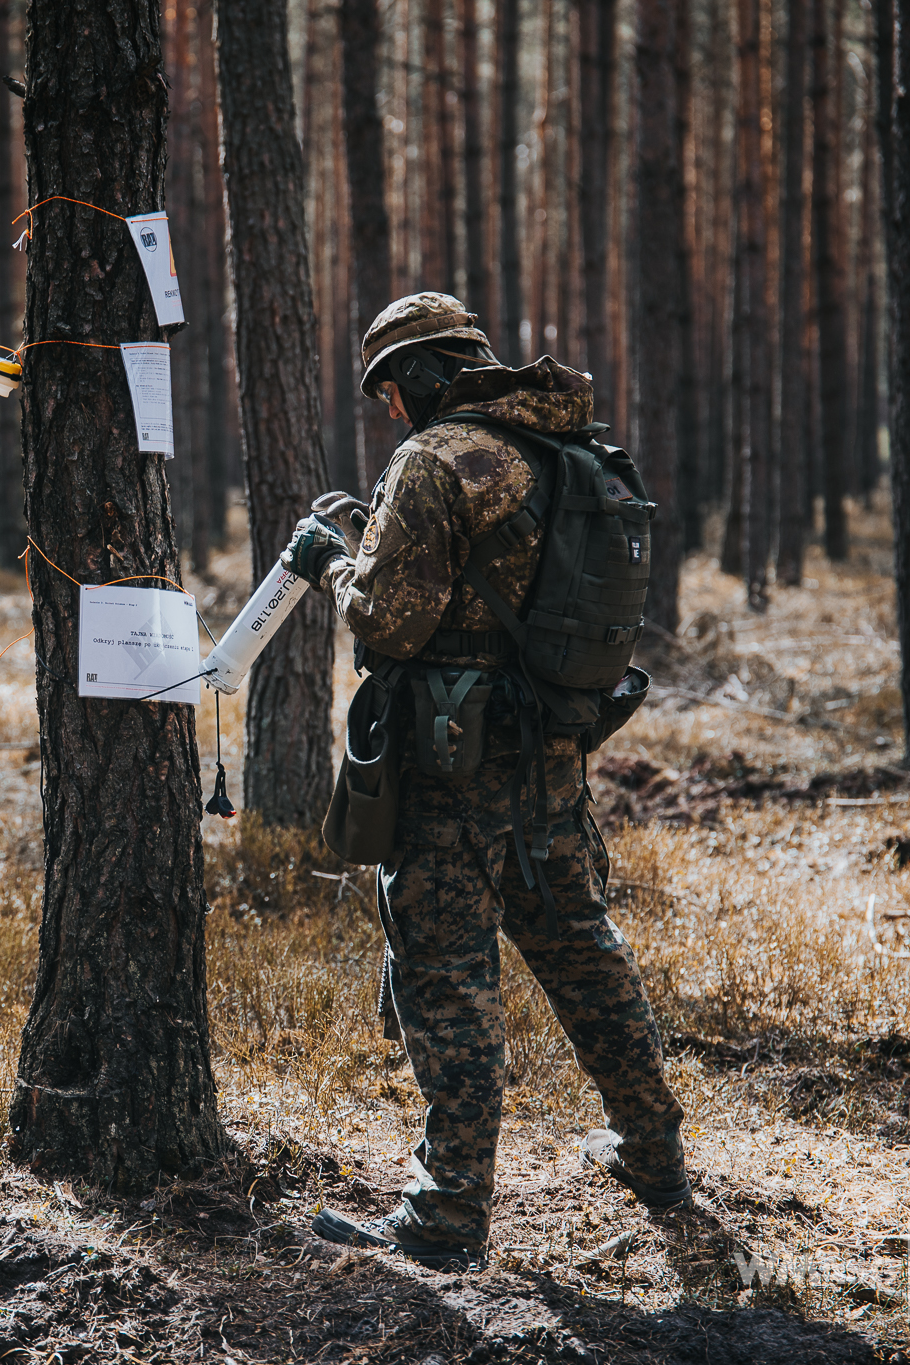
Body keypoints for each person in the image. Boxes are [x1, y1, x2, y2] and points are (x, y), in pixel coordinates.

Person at [286, 292, 689, 1267]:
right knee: (580, 951)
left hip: (450, 775)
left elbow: (388, 621)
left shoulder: (434, 461)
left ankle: (445, 1215)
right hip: (551, 755)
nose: (393, 414)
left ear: (422, 374)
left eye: (391, 393)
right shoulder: (560, 449)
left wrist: (329, 564)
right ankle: (654, 1152)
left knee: (447, 983)